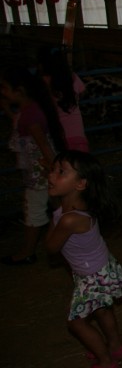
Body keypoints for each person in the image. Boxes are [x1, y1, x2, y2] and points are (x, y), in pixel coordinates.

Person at [45, 150, 122, 368]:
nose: (51, 175)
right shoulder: (81, 205)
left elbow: (51, 248)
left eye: (61, 172)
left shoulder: (68, 218)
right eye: (53, 169)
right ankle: (115, 346)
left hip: (91, 276)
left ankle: (106, 363)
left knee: (77, 323)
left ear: (80, 184)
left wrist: (54, 215)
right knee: (102, 309)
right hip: (101, 267)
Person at [1, 65, 65, 265]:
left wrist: (56, 170)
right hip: (41, 169)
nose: (2, 91)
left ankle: (30, 251)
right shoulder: (31, 110)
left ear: (19, 91)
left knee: (35, 210)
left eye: (4, 87)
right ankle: (62, 247)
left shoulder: (32, 115)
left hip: (41, 172)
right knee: (57, 207)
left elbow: (43, 145)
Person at [37, 45, 89, 152]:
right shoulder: (72, 76)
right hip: (77, 132)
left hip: (57, 135)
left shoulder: (43, 81)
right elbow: (83, 92)